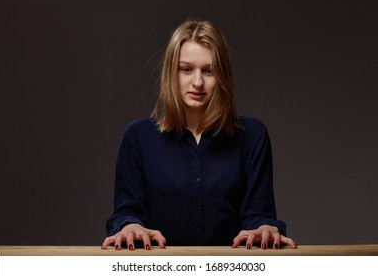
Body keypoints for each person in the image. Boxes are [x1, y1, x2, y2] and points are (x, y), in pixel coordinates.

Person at [101, 19, 297, 251]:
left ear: (222, 77)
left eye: (208, 71)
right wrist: (130, 226)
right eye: (186, 69)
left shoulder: (253, 136)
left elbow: (258, 213)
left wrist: (265, 227)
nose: (197, 82)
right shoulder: (137, 137)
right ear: (171, 74)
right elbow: (127, 212)